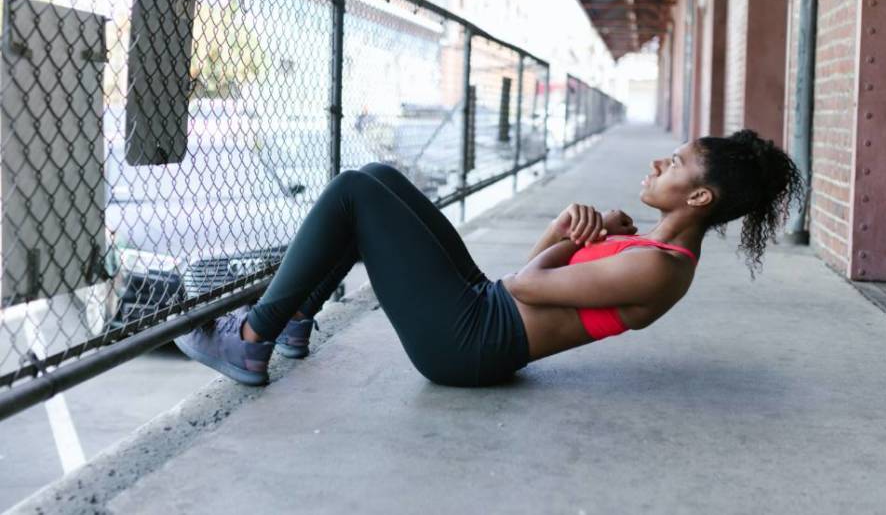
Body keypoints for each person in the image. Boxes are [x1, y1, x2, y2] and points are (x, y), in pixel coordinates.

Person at [175, 129, 804, 387]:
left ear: (698, 196)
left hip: (468, 345)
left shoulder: (661, 267)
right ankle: (295, 321)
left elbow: (530, 287)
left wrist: (573, 237)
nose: (661, 161)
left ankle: (253, 337)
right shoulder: (651, 247)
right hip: (485, 313)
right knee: (379, 176)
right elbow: (523, 282)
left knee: (351, 193)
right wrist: (568, 228)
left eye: (678, 163)